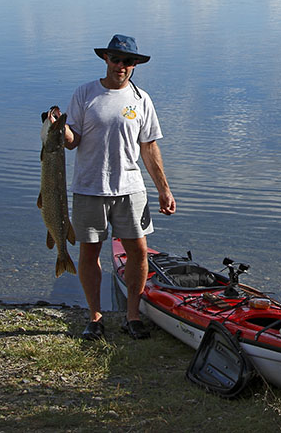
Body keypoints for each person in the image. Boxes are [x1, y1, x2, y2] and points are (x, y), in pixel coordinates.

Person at [57, 34, 176, 341]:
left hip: (131, 189)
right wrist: (60, 131)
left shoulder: (141, 99)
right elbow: (73, 141)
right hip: (89, 188)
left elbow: (149, 148)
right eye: (116, 59)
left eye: (128, 62)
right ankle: (95, 317)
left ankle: (132, 315)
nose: (121, 66)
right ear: (106, 60)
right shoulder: (85, 94)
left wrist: (164, 189)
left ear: (135, 65)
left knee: (138, 251)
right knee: (89, 251)